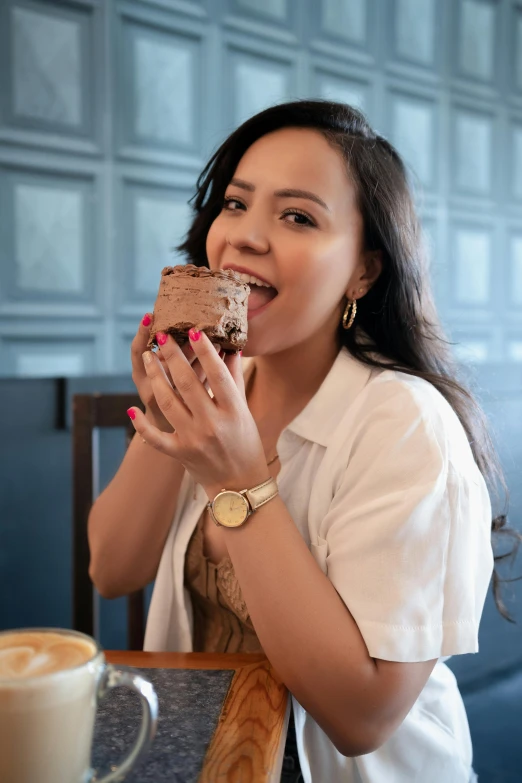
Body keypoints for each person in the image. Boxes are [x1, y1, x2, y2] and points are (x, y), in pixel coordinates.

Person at [88, 100, 516, 783]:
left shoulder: (403, 423)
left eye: (297, 216)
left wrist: (238, 479)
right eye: (234, 204)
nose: (244, 237)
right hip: (208, 751)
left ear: (363, 272)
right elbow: (113, 569)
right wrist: (170, 409)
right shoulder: (222, 383)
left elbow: (361, 718)